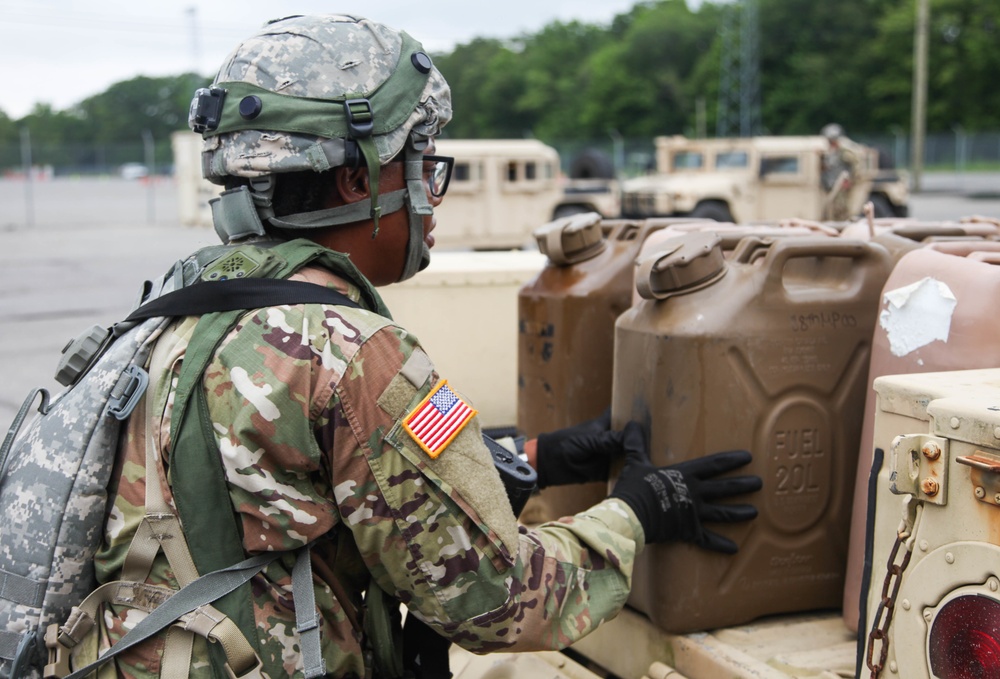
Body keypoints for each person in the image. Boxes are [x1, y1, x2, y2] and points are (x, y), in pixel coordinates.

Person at [90, 14, 762, 679]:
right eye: (421, 163)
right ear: (358, 181)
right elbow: (492, 597)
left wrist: (529, 459)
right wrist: (638, 512)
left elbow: (300, 494)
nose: (431, 198)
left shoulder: (182, 309)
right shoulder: (351, 352)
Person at [820, 123, 859, 221]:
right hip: (830, 185)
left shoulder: (844, 153)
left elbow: (854, 166)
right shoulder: (830, 152)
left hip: (840, 185)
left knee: (840, 208)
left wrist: (849, 179)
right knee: (830, 209)